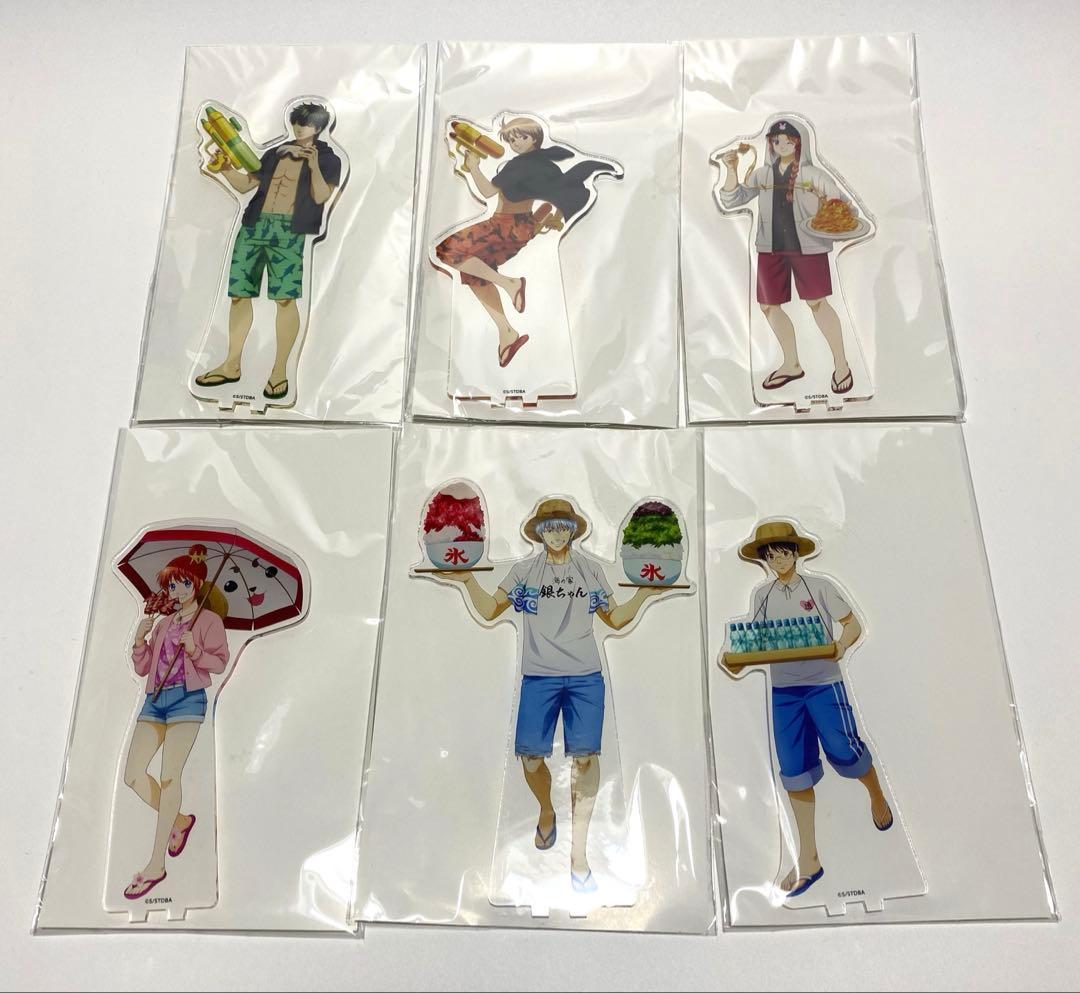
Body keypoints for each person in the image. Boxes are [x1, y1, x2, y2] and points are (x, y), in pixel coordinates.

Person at [436, 497, 663, 893]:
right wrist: (467, 580)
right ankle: (546, 808)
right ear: (539, 533)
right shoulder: (525, 571)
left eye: (563, 527)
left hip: (586, 677)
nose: (557, 534)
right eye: (549, 528)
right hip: (538, 676)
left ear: (573, 531)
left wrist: (645, 593)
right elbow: (490, 610)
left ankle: (579, 854)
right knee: (530, 758)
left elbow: (615, 618)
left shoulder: (590, 570)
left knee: (586, 760)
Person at [723, 521, 893, 899]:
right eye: (770, 556)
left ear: (795, 553)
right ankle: (809, 858)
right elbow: (757, 639)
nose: (778, 560)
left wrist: (840, 646)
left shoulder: (820, 587)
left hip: (823, 684)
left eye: (783, 552)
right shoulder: (762, 594)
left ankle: (875, 792)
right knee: (794, 769)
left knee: (844, 749)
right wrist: (736, 657)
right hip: (784, 692)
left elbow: (851, 624)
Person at [434, 117, 620, 368]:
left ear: (535, 138)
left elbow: (487, 192)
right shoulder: (544, 165)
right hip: (519, 227)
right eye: (512, 139)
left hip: (504, 227)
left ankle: (509, 283)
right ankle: (507, 333)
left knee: (447, 250)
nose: (516, 143)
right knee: (474, 273)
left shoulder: (519, 165)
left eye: (521, 137)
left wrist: (474, 167)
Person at [196, 101, 343, 403]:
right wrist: (225, 169)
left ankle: (279, 371)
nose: (300, 128)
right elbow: (247, 185)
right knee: (239, 293)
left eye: (307, 124)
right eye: (297, 122)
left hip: (289, 231)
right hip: (254, 224)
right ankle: (231, 364)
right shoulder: (274, 153)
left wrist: (313, 164)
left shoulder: (329, 159)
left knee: (285, 298)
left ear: (319, 127)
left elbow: (321, 196)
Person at [718, 119, 859, 396]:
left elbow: (841, 204)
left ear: (799, 143)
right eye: (776, 141)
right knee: (768, 306)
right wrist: (731, 168)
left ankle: (842, 364)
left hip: (808, 247)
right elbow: (732, 200)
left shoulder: (813, 174)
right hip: (770, 247)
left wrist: (832, 213)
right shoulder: (763, 175)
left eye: (788, 141)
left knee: (817, 302)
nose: (781, 145)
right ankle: (791, 364)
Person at [122, 544, 230, 900]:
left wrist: (195, 649)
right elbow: (143, 668)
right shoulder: (164, 624)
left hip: (187, 699)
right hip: (155, 701)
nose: (177, 591)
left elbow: (220, 662)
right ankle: (180, 821)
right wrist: (140, 639)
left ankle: (156, 865)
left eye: (184, 584)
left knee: (169, 776)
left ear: (197, 585)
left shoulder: (209, 621)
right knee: (133, 775)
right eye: (172, 585)